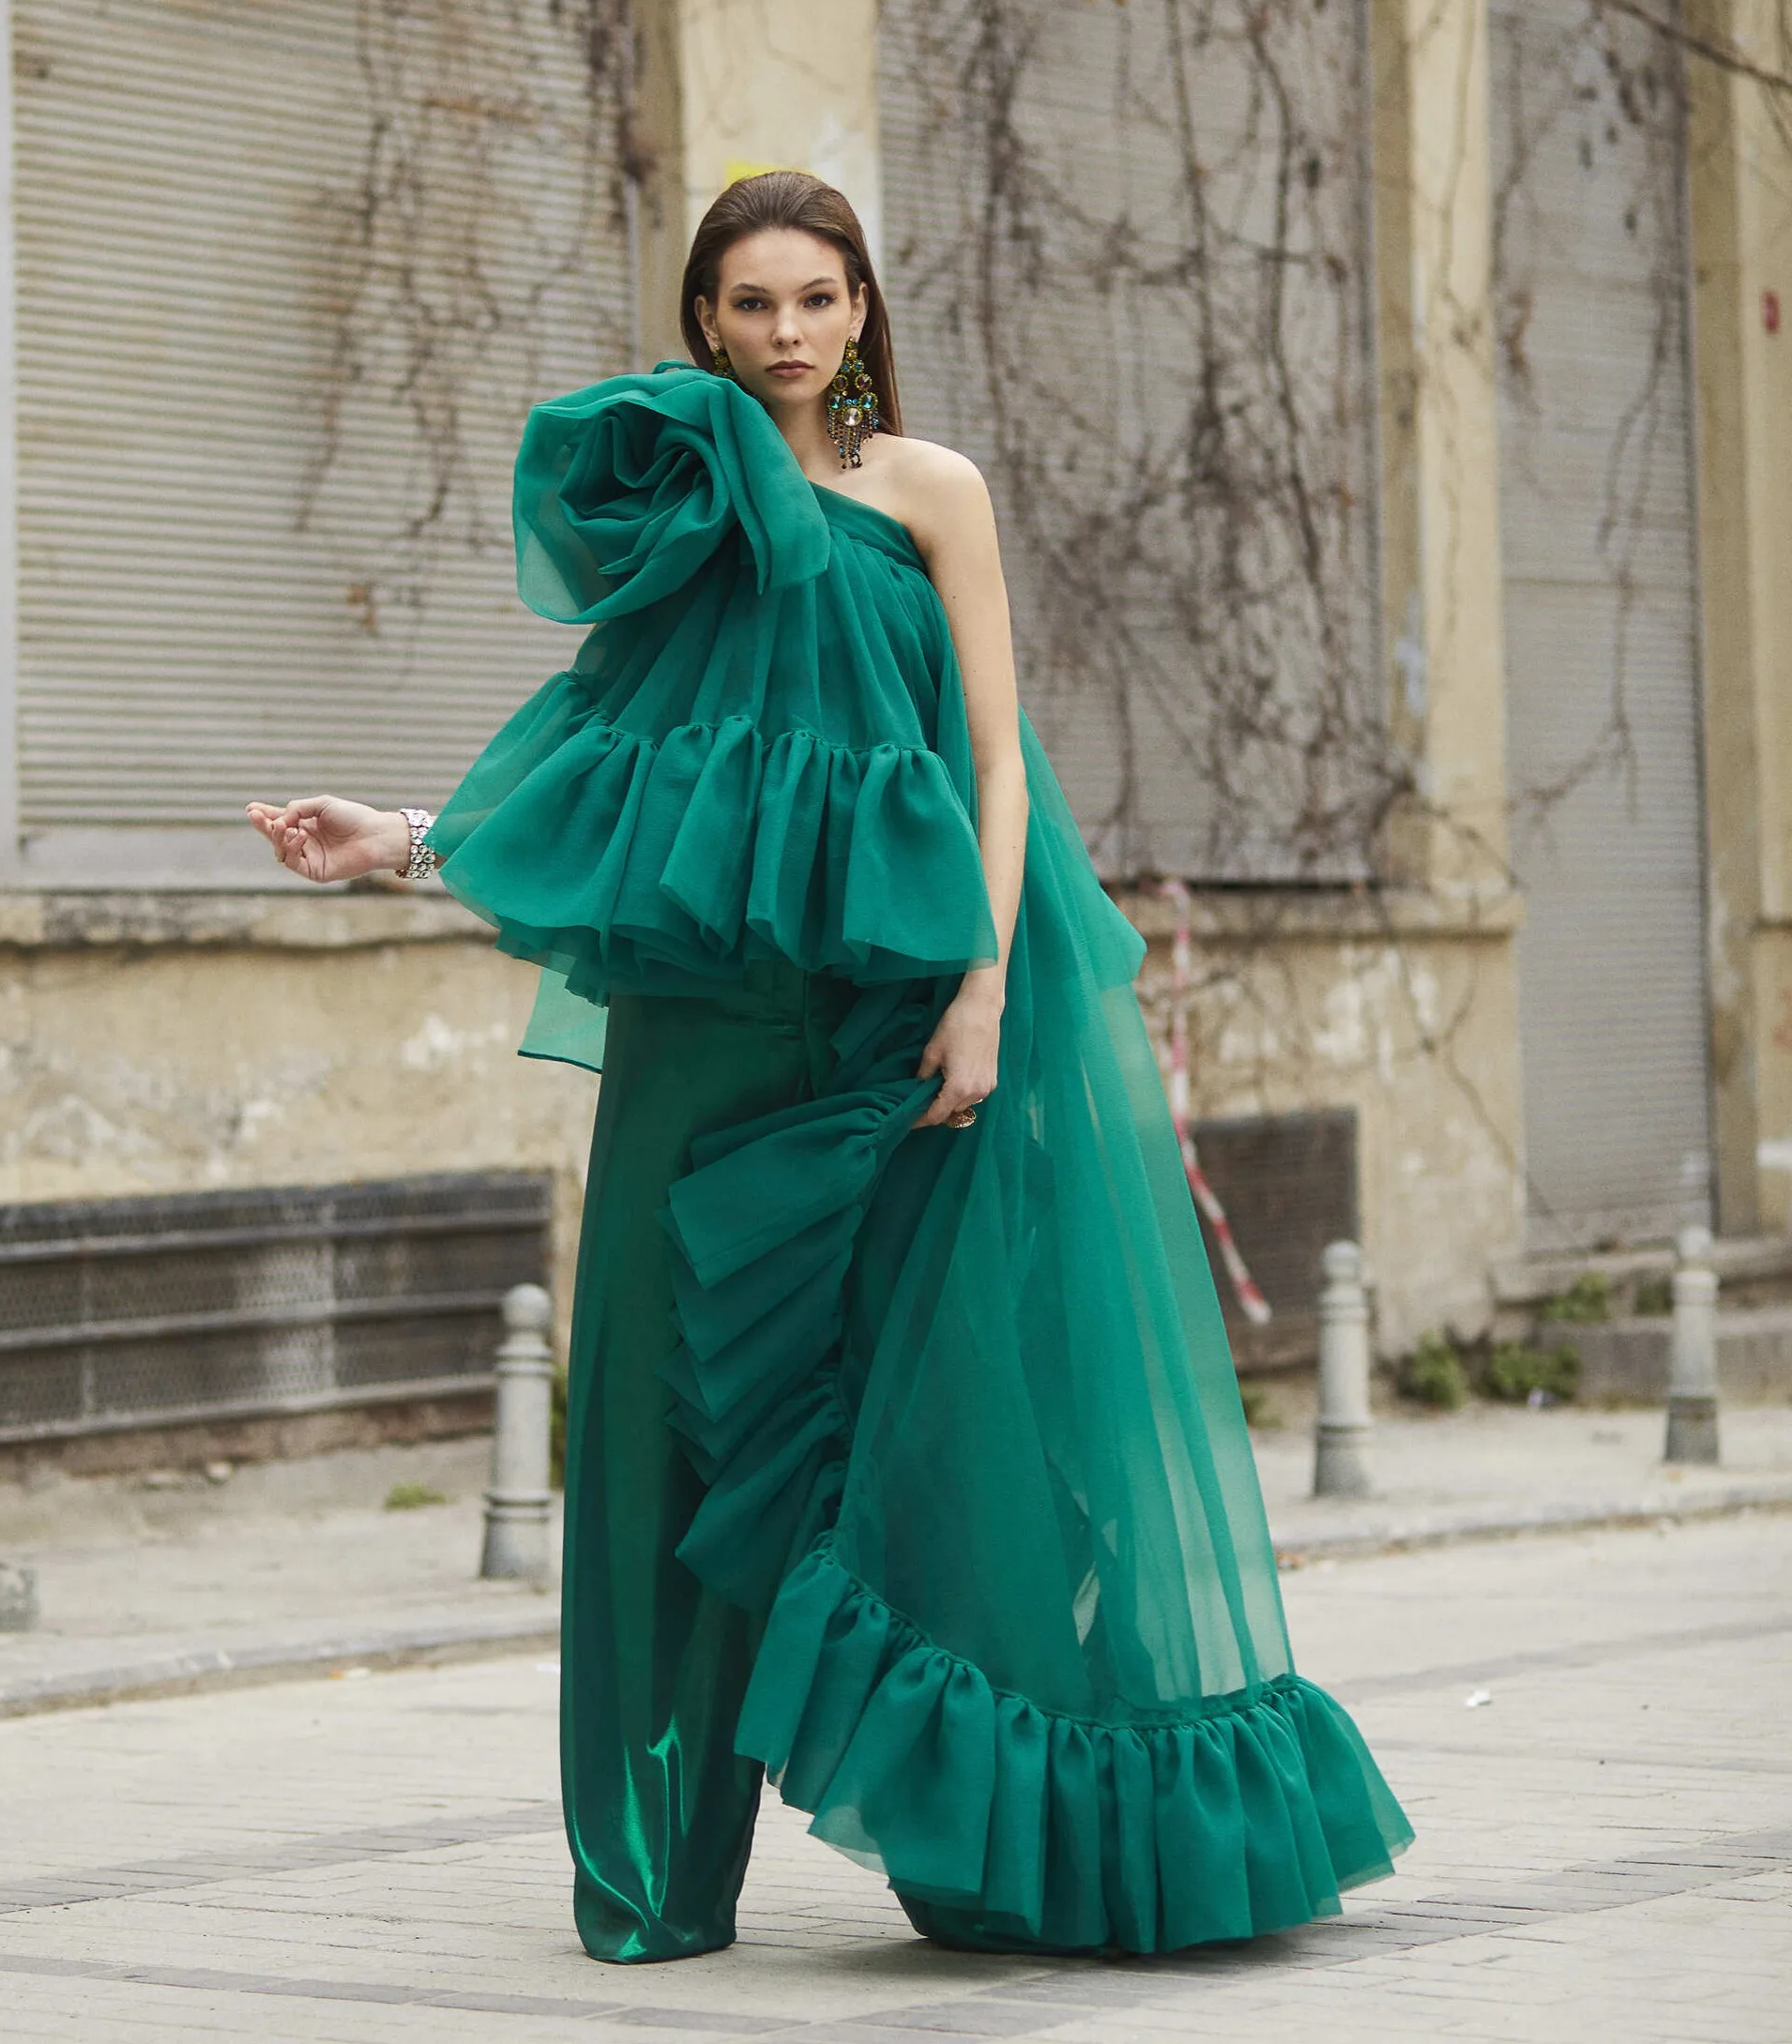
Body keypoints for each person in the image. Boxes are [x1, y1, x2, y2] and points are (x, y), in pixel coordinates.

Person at [248, 169, 1412, 1966]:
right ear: (703, 320)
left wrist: (984, 989)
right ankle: (655, 1865)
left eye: (816, 298)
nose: (785, 334)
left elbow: (999, 769)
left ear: (863, 307)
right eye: (749, 304)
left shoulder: (932, 490)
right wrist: (397, 839)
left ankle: (1014, 1838)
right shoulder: (691, 514)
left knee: (940, 1420)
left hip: (895, 1040)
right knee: (654, 1417)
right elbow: (599, 771)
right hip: (700, 1046)